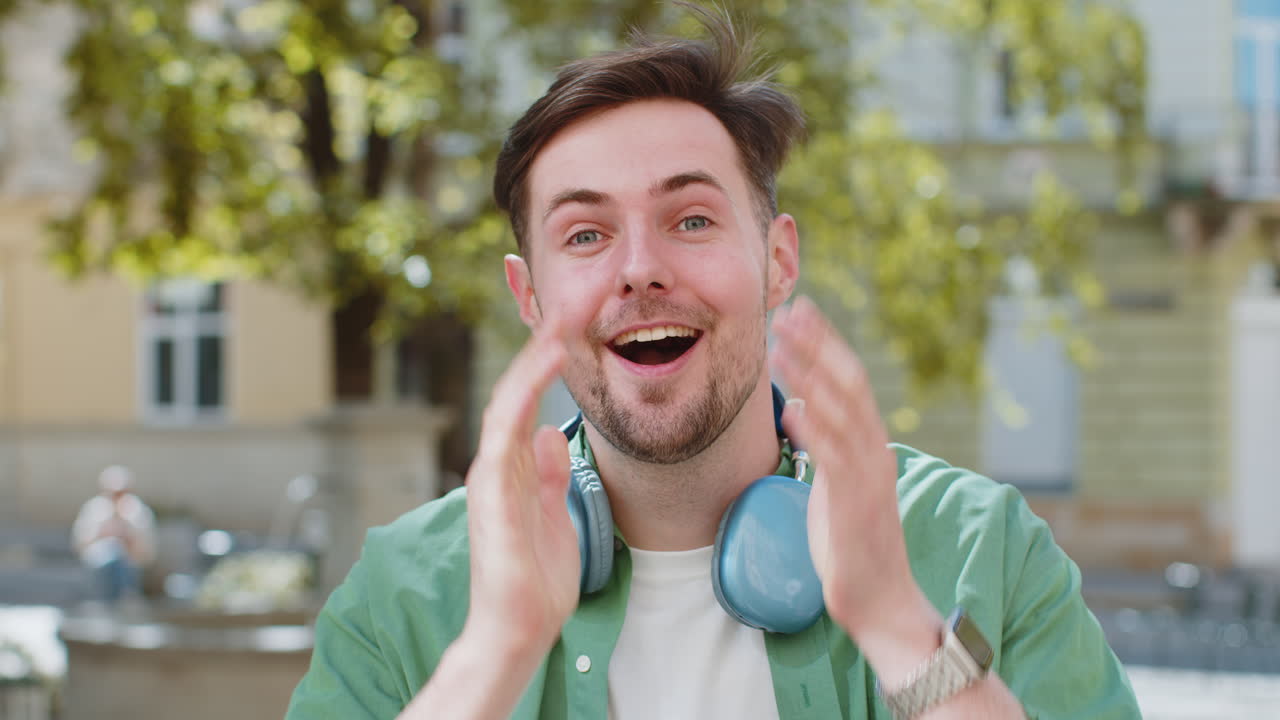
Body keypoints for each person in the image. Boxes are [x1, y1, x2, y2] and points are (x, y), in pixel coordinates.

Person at [287, 8, 1140, 719]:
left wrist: (897, 624)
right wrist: (495, 652)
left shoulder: (978, 547)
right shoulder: (402, 591)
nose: (639, 268)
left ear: (778, 261)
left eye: (691, 219)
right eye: (585, 235)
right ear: (531, 298)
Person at [71, 465, 156, 605]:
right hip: (100, 564)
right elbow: (81, 542)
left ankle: (123, 600)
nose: (117, 496)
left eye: (121, 492)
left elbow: (146, 549)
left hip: (128, 563)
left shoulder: (138, 511)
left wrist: (127, 537)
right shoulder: (94, 509)